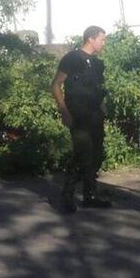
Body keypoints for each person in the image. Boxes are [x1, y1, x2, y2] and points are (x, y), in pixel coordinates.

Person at [52, 25, 112, 213]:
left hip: (95, 115)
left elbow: (98, 89)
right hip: (78, 115)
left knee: (96, 155)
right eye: (102, 39)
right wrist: (64, 111)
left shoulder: (96, 63)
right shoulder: (71, 59)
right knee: (81, 156)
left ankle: (90, 195)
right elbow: (55, 85)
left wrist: (103, 110)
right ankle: (67, 196)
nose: (104, 43)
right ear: (91, 39)